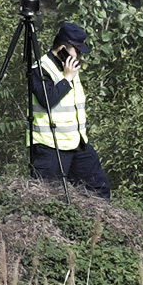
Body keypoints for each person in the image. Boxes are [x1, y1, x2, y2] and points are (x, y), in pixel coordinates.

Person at [27, 20, 106, 194]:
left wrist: (68, 74)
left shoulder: (69, 67)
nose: (78, 55)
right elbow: (46, 100)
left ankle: (98, 222)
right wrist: (67, 78)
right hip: (50, 146)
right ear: (64, 47)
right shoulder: (41, 68)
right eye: (76, 50)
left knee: (99, 189)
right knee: (48, 196)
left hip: (77, 142)